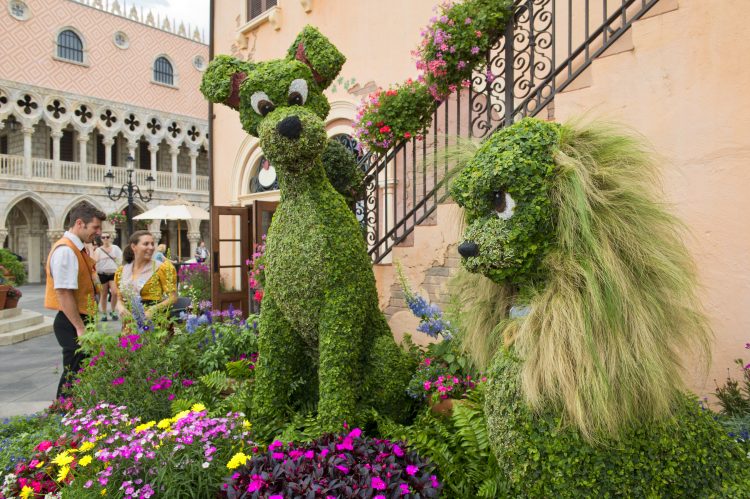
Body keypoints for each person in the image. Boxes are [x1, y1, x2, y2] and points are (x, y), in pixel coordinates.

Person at [44, 202, 105, 400]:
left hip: (79, 317)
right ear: (80, 223)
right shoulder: (66, 250)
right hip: (71, 320)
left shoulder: (77, 248)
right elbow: (63, 293)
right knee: (74, 372)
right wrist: (80, 327)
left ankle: (72, 411)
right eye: (95, 227)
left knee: (80, 369)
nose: (97, 233)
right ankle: (62, 413)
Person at [114, 231, 177, 322]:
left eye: (152, 244)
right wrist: (120, 307)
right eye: (146, 244)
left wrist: (153, 310)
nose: (151, 247)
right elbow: (119, 298)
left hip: (154, 321)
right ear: (133, 247)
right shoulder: (121, 271)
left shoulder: (163, 268)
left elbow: (173, 297)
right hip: (130, 323)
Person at [93, 232, 122, 322]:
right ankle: (104, 313)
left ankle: (113, 311)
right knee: (104, 294)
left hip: (113, 273)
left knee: (114, 292)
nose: (105, 239)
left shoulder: (115, 248)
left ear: (110, 238)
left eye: (107, 237)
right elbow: (95, 261)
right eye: (103, 237)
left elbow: (120, 259)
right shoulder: (98, 250)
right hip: (102, 273)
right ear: (101, 239)